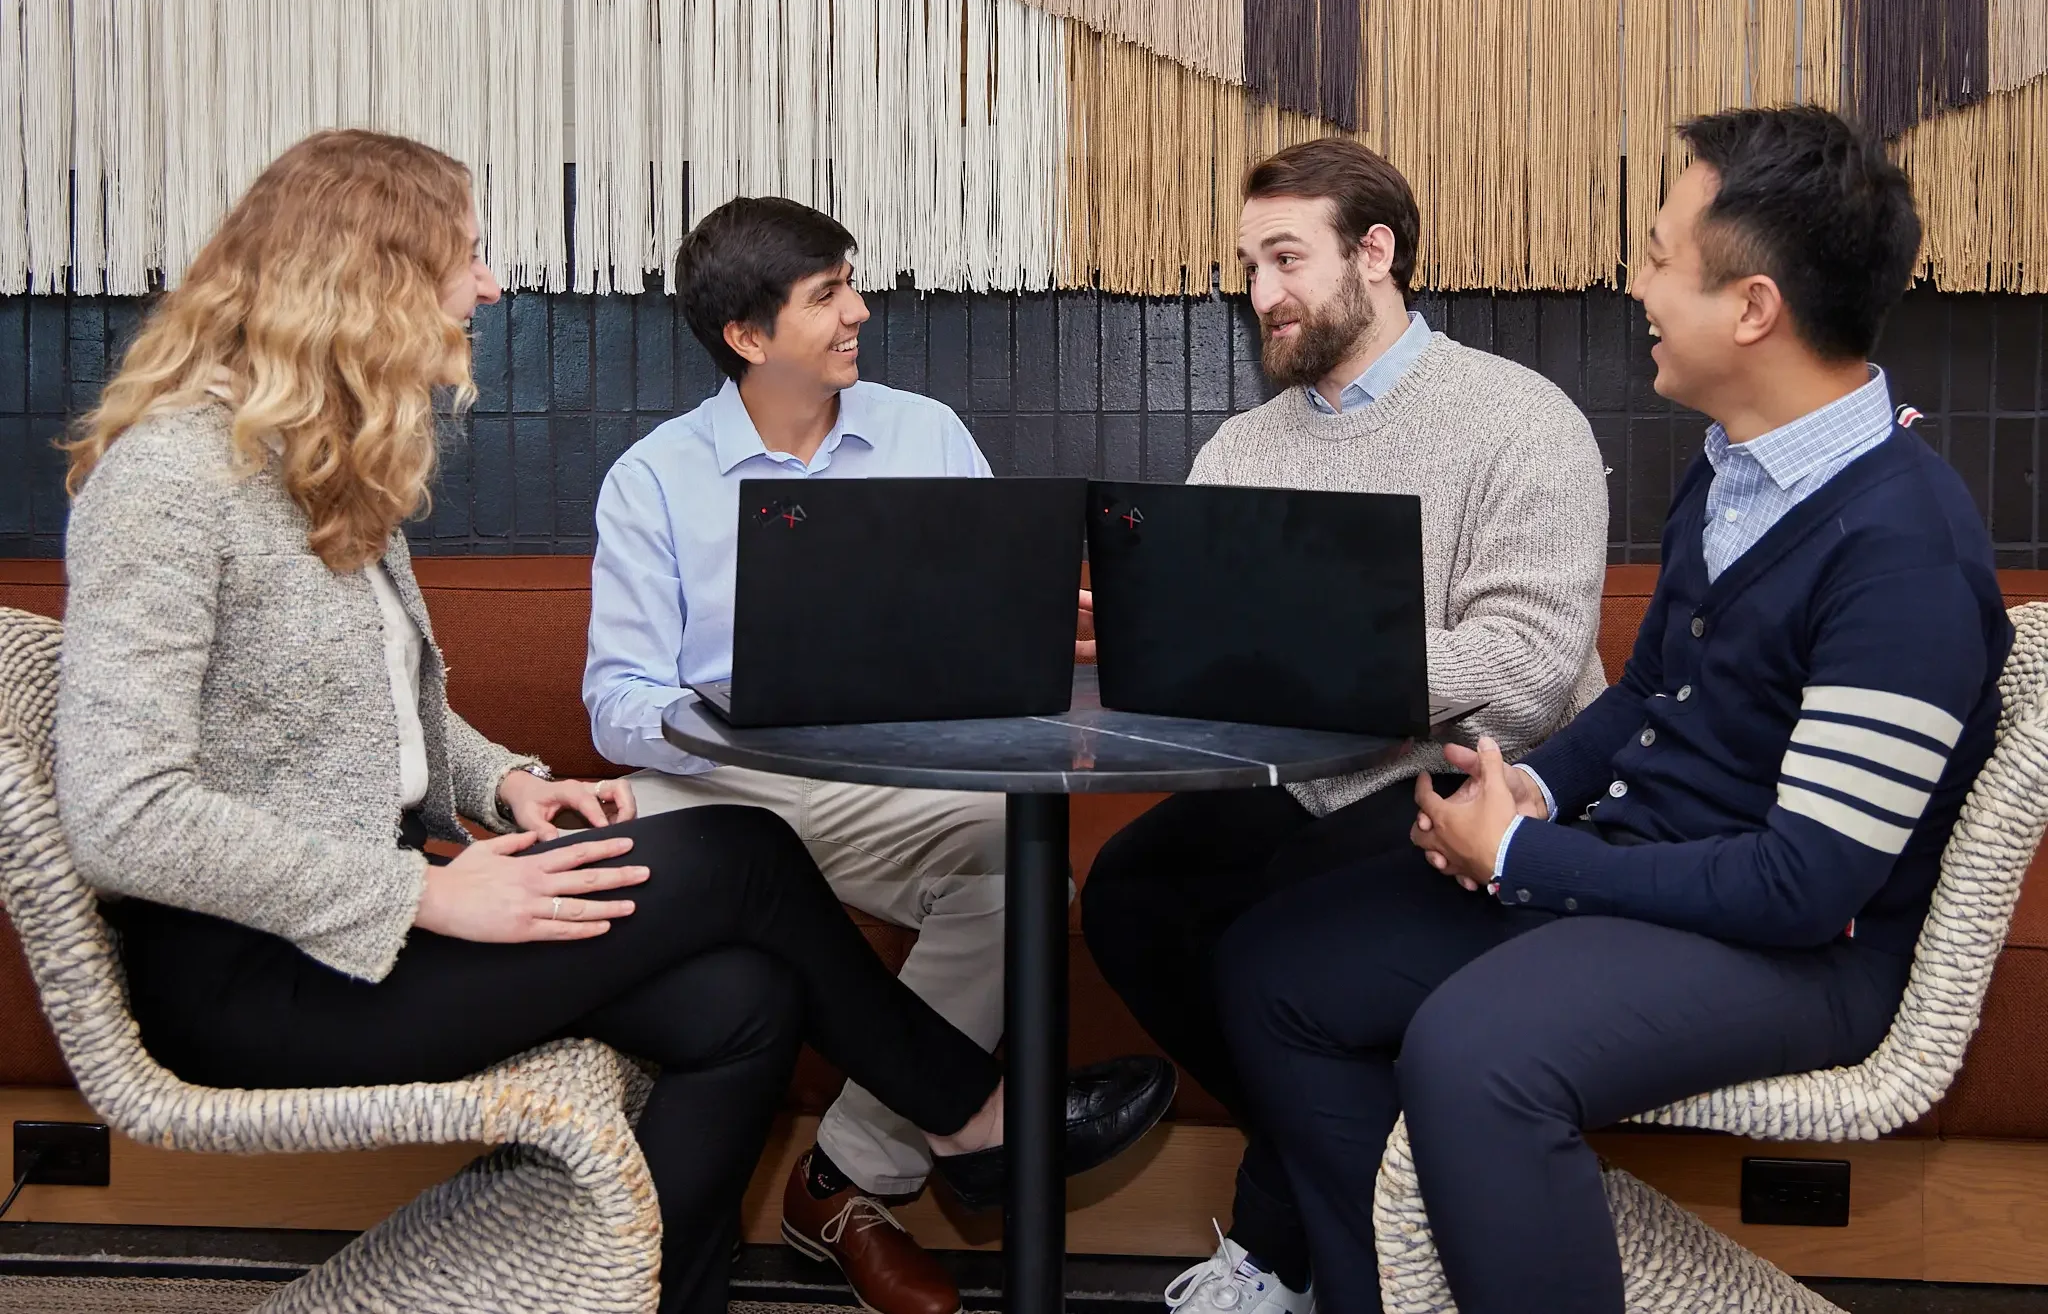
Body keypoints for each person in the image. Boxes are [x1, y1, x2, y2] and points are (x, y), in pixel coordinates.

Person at [53, 130, 1174, 1314]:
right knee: (747, 852)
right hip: (264, 976)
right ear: (368, 280)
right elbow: (118, 816)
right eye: (466, 258)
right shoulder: (171, 480)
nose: (489, 285)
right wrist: (424, 894)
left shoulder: (325, 469)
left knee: (743, 1001)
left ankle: (664, 1294)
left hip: (356, 932)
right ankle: (974, 1118)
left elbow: (383, 721)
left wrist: (506, 788)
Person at [1219, 106, 2010, 1314]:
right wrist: (1529, 789)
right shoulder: (1734, 463)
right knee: (1275, 969)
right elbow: (1643, 694)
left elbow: (1805, 886)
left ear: (1750, 308)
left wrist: (1525, 857)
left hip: (1799, 952)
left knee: (1476, 1052)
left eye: (1655, 255)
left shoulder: (1903, 548)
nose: (1630, 284)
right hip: (1654, 874)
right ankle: (1373, 1291)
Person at [1079, 137, 1608, 1314]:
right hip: (1303, 782)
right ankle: (1355, 1181)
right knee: (1128, 894)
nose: (1259, 293)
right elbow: (1220, 667)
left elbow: (1521, 677)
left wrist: (1303, 669)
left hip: (1484, 784)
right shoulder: (1242, 447)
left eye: (1284, 258)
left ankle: (1287, 1245)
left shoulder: (1519, 421)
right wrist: (1146, 639)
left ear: (1374, 254)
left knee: (1290, 915)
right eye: (1248, 264)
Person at [583, 198, 1011, 1314]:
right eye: (826, 295)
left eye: (849, 283)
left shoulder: (927, 436)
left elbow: (991, 637)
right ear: (747, 335)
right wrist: (728, 714)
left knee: (1019, 859)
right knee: (668, 895)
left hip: (889, 786)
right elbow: (613, 705)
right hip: (717, 780)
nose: (858, 311)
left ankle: (848, 1176)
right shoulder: (652, 479)